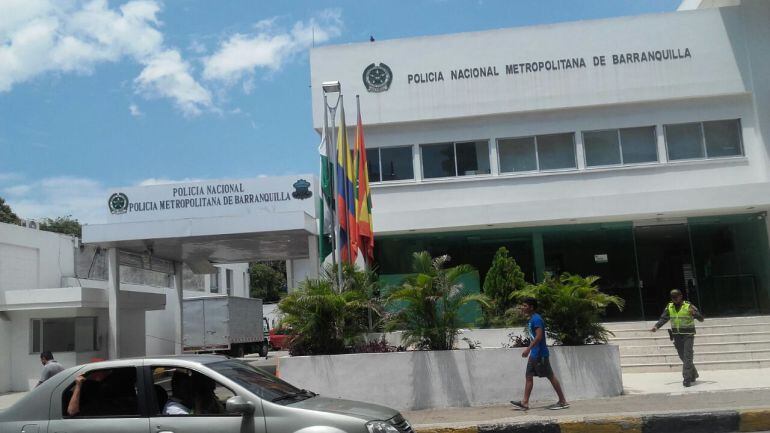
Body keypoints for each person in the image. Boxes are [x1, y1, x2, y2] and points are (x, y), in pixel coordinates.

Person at [510, 298, 569, 411]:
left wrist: (528, 349)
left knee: (550, 376)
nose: (522, 307)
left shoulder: (537, 319)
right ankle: (525, 402)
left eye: (525, 305)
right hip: (534, 354)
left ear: (531, 307)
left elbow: (539, 336)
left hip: (540, 354)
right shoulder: (532, 319)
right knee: (528, 376)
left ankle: (562, 401)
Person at [650, 289, 705, 387]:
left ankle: (686, 379)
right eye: (673, 297)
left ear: (681, 296)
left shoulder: (689, 306)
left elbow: (701, 319)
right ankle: (694, 373)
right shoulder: (669, 306)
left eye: (676, 297)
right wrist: (656, 326)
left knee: (687, 355)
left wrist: (694, 314)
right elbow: (664, 318)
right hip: (677, 335)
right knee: (682, 356)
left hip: (688, 334)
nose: (675, 299)